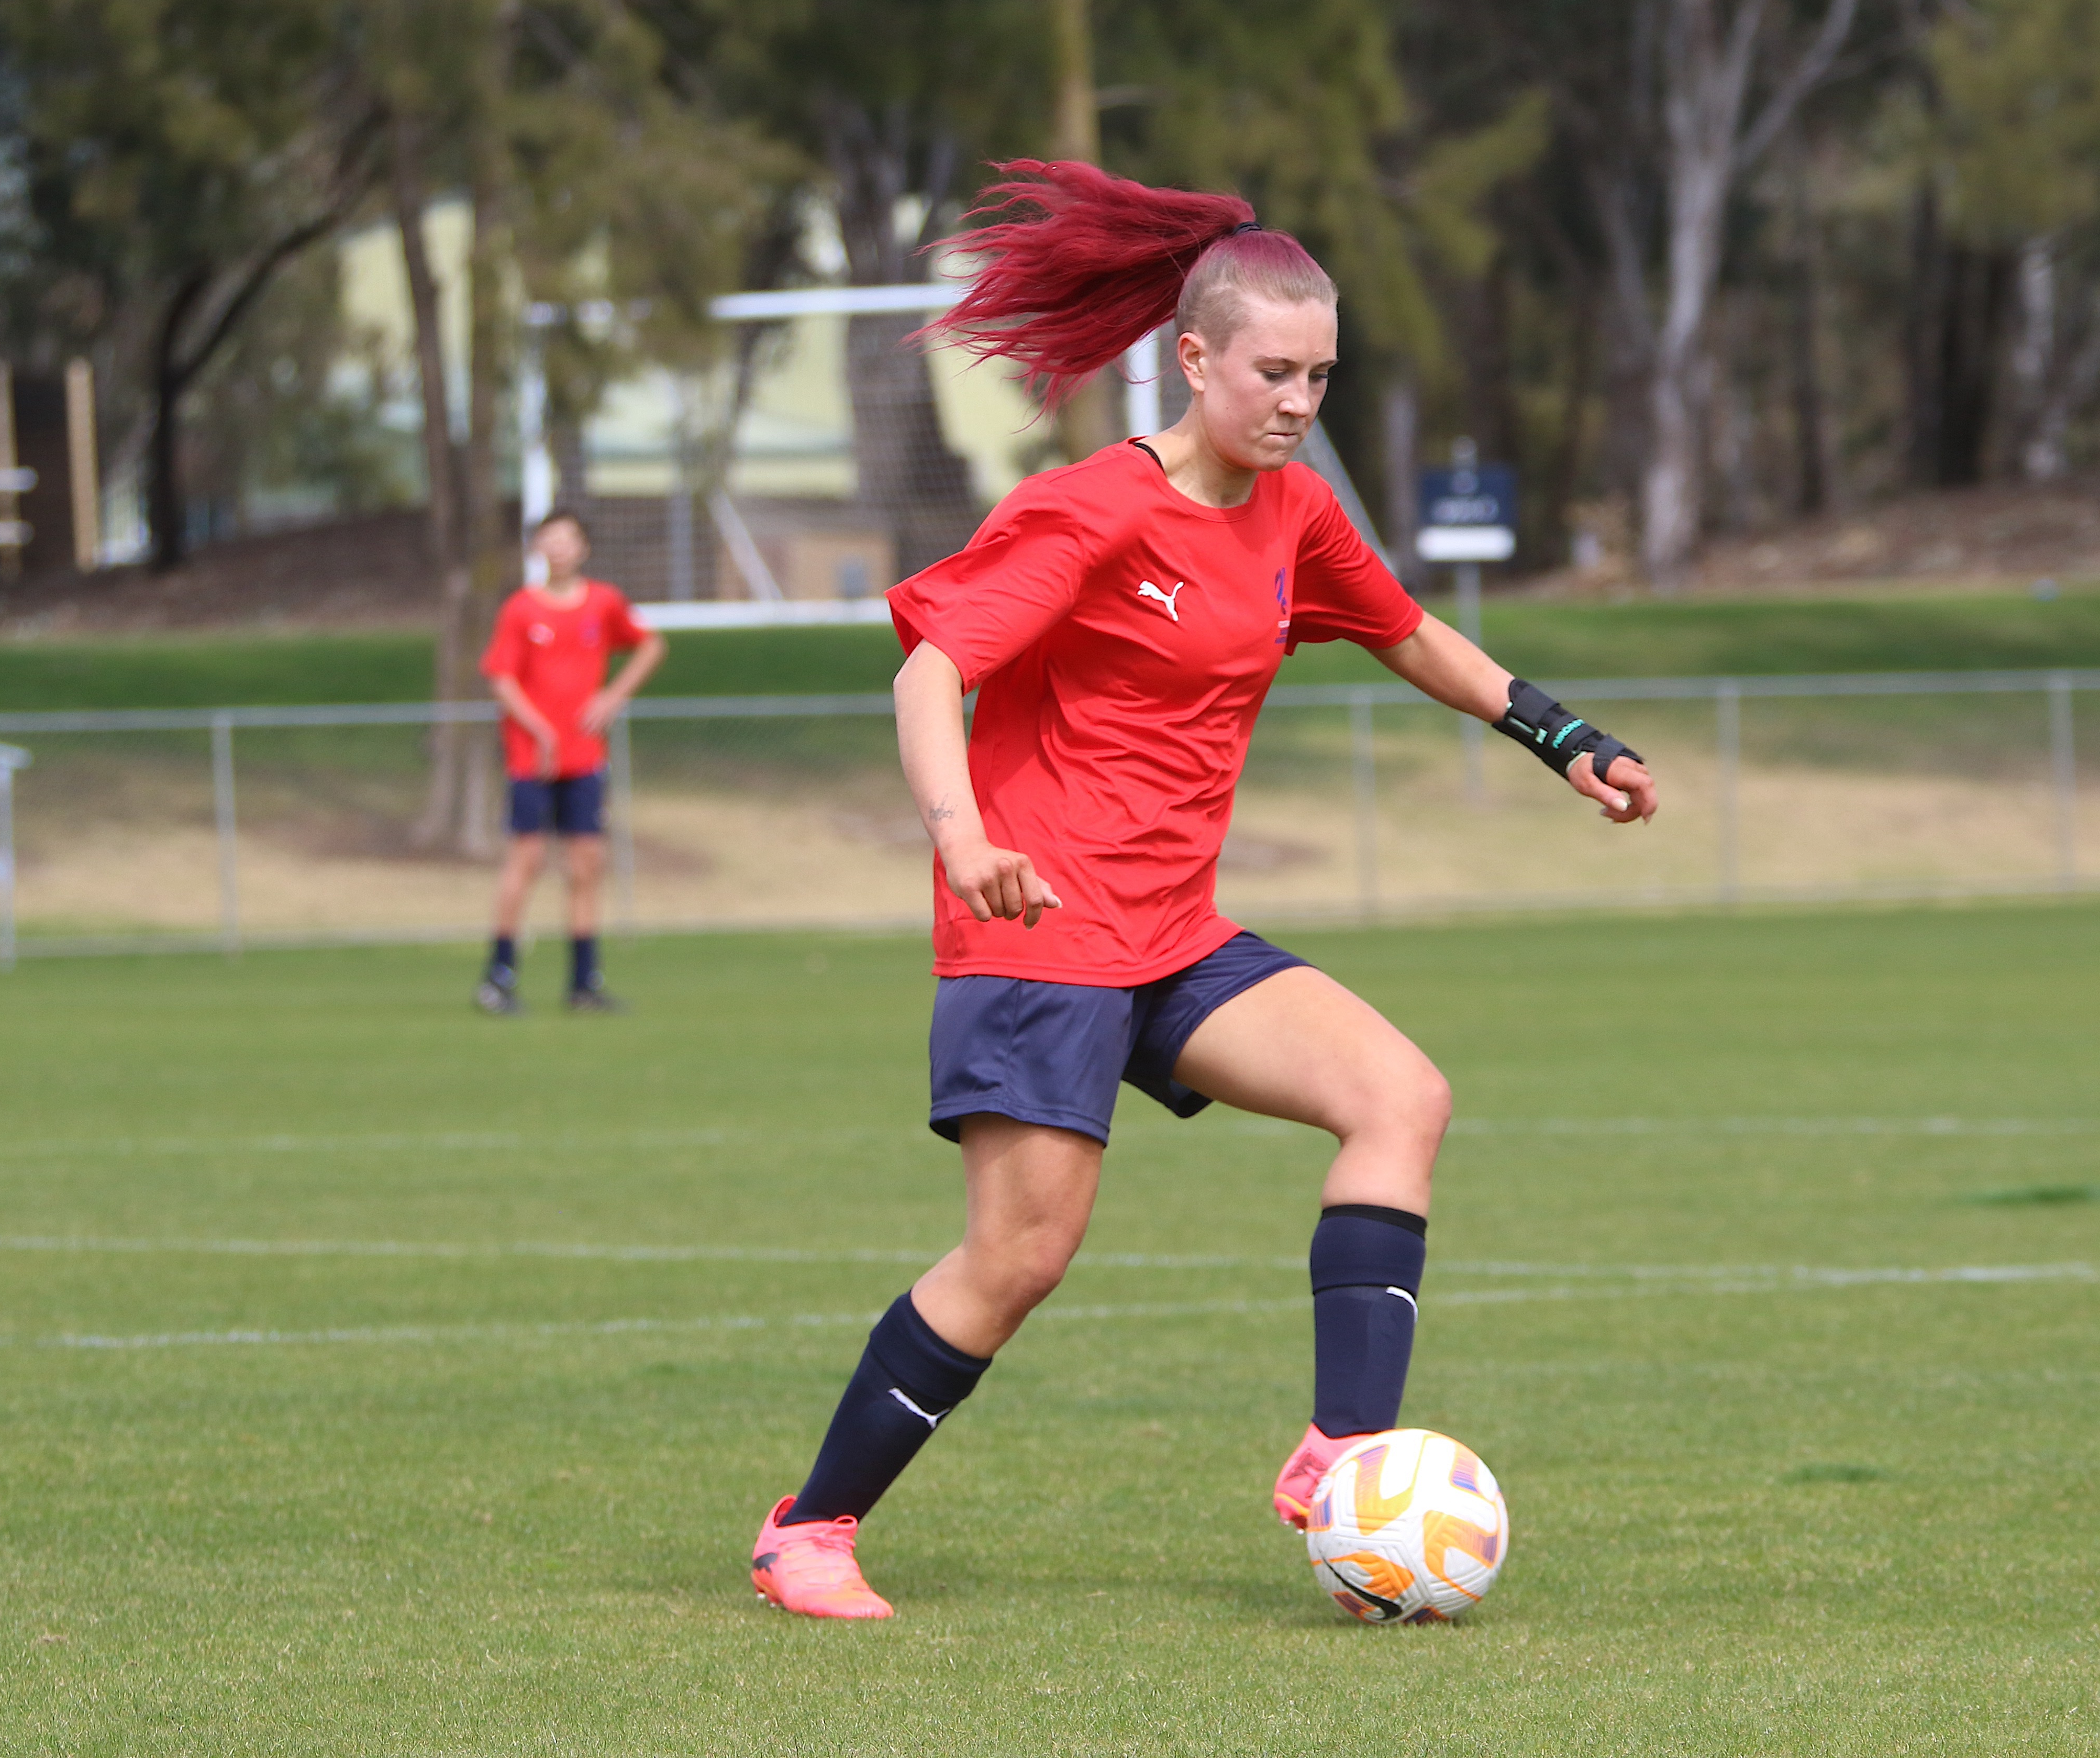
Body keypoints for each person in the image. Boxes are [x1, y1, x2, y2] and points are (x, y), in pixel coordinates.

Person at [747, 163, 1659, 1620]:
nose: (1299, 402)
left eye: (1321, 376)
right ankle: (812, 1530)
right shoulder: (1091, 512)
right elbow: (934, 670)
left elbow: (1410, 633)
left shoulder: (1292, 516)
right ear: (1194, 360)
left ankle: (1343, 1457)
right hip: (1037, 932)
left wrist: (1566, 738)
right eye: (1273, 372)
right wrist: (960, 831)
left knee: (1399, 1097)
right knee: (1020, 1258)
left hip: (1171, 935)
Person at [475, 510, 667, 1015]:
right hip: (532, 759)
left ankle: (583, 983)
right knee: (527, 860)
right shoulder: (520, 609)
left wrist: (612, 697)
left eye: (568, 540)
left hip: (583, 757)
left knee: (586, 865)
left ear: (582, 548)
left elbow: (649, 646)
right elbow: (500, 676)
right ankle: (498, 977)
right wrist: (537, 729)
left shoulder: (603, 602)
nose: (558, 549)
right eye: (549, 540)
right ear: (539, 549)